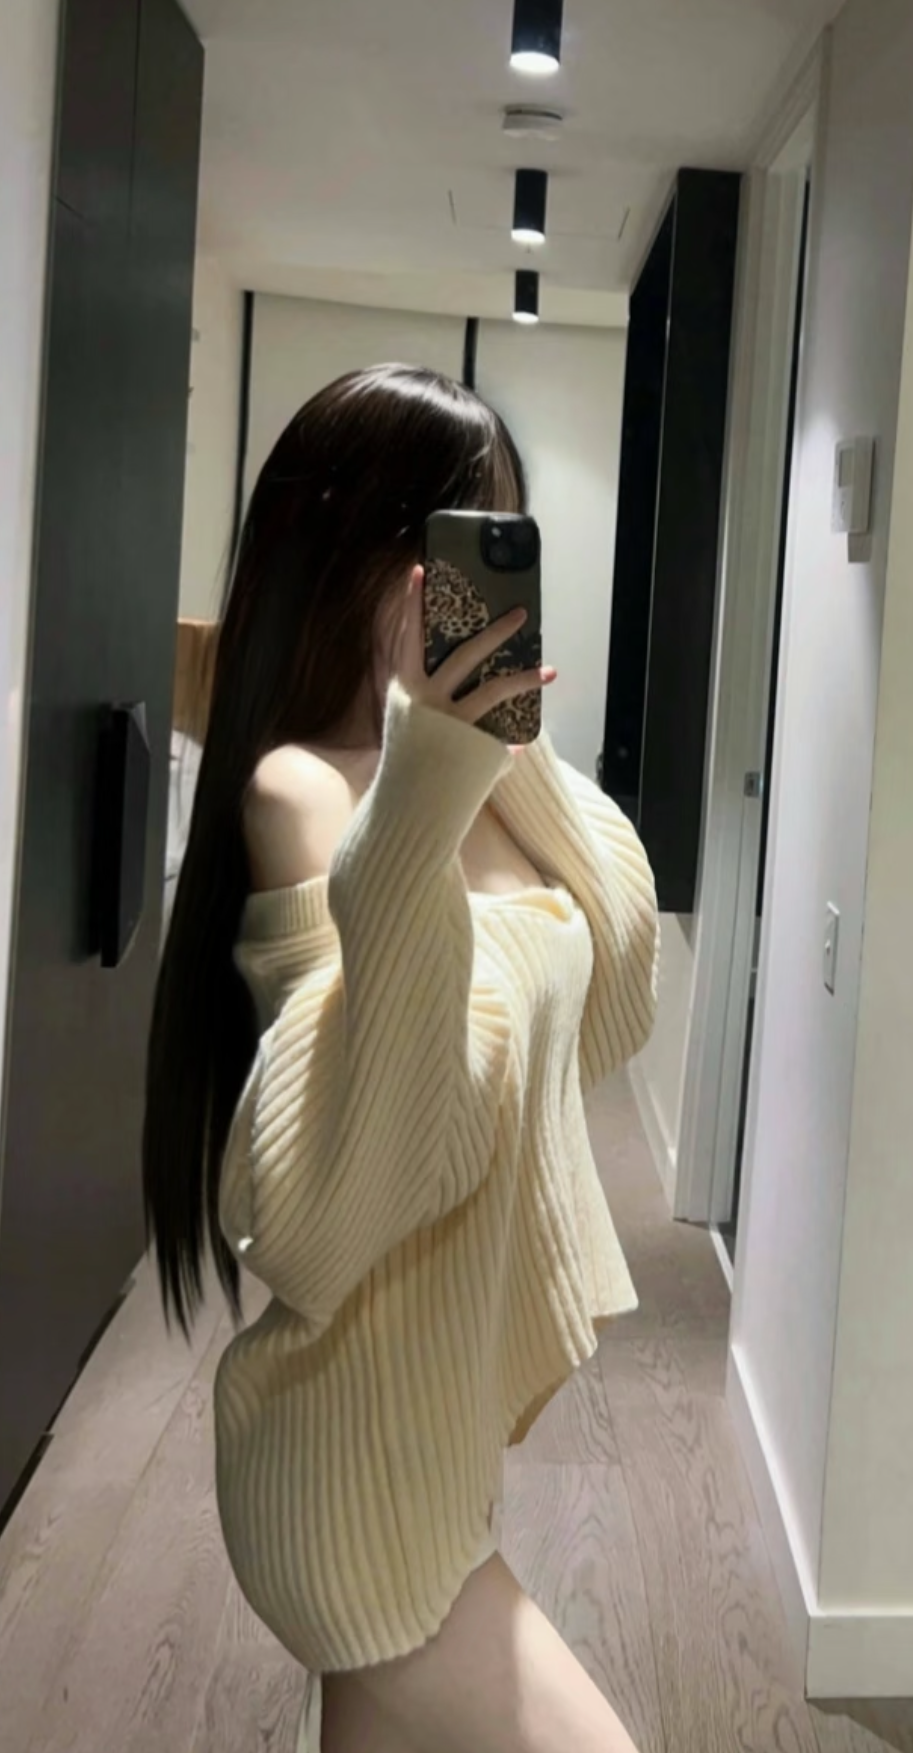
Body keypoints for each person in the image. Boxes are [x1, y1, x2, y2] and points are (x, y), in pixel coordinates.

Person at [143, 364, 659, 1753]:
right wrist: (432, 771)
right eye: (446, 540)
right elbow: (369, 1148)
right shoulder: (300, 788)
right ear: (353, 551)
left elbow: (614, 972)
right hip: (346, 1465)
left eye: (500, 538)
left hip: (432, 1452)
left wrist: (496, 744)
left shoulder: (473, 778)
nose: (466, 583)